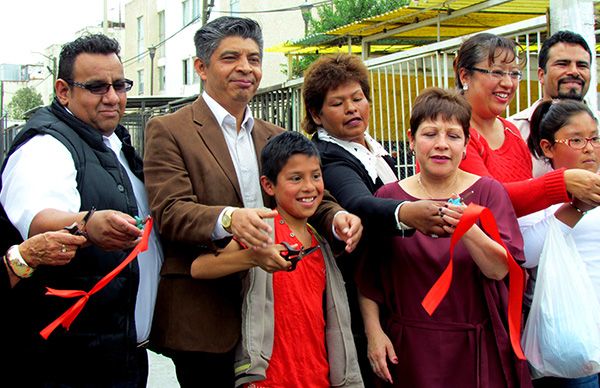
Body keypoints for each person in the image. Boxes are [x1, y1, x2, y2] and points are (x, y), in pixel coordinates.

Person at [143, 17, 361, 387]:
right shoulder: (169, 130)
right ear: (201, 66)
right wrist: (229, 219)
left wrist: (338, 216)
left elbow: (310, 196)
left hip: (275, 313)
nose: (245, 68)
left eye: (254, 59)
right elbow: (171, 211)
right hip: (206, 315)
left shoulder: (274, 135)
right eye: (231, 58)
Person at [0, 34, 163, 386]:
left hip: (123, 358)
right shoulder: (45, 146)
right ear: (63, 91)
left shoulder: (115, 142)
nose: (113, 97)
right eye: (96, 87)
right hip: (70, 365)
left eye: (120, 85)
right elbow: (39, 221)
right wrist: (87, 225)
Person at [358, 87, 531, 387]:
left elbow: (501, 269)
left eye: (453, 135)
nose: (441, 145)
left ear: (466, 144)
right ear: (411, 140)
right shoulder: (389, 198)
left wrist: (469, 228)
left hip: (475, 348)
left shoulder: (489, 192)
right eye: (430, 134)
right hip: (408, 347)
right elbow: (368, 278)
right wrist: (374, 334)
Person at [302, 53, 452, 385]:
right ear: (317, 114)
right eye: (338, 103)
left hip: (391, 290)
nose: (352, 108)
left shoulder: (374, 150)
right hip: (357, 296)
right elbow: (360, 203)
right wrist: (407, 213)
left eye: (358, 98)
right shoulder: (327, 157)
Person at [192, 131, 363, 387]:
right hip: (270, 378)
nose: (309, 187)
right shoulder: (262, 229)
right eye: (296, 178)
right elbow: (200, 268)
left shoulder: (322, 241)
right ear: (269, 185)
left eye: (315, 176)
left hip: (319, 375)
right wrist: (253, 257)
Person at [454, 33, 600, 217]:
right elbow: (485, 200)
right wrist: (561, 183)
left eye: (514, 74)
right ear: (465, 76)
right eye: (497, 72)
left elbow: (525, 218)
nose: (508, 83)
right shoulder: (452, 134)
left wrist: (578, 206)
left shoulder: (511, 132)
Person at [519, 99, 599, 388]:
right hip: (572, 340)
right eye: (576, 140)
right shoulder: (538, 195)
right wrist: (574, 208)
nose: (589, 148)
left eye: (594, 138)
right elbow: (526, 254)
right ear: (548, 147)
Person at [509, 30, 593, 177]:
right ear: (541, 75)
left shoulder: (597, 123)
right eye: (562, 64)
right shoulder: (513, 131)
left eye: (582, 65)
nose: (574, 71)